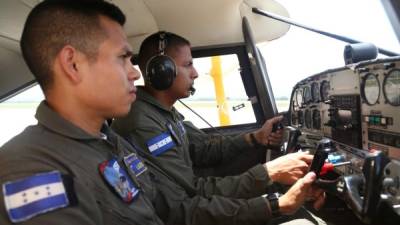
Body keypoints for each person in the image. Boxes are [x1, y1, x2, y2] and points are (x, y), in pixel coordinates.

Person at [111, 31, 326, 224]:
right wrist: (272, 192)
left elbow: (204, 150)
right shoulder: (142, 124)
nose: (195, 73)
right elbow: (188, 198)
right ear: (162, 71)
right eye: (187, 65)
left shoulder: (164, 113)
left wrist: (254, 138)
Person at [0, 1, 164, 224]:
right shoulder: (30, 172)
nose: (134, 73)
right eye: (122, 57)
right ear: (73, 64)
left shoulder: (108, 140)